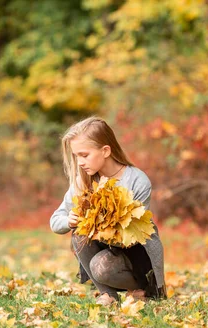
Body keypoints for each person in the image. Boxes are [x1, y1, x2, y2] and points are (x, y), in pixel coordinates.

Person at [50, 116, 167, 306]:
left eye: (84, 155)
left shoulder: (136, 180)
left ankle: (146, 290)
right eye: (76, 156)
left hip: (137, 257)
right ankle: (109, 295)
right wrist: (69, 221)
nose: (79, 162)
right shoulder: (84, 182)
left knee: (100, 265)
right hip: (108, 252)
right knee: (78, 235)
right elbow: (56, 220)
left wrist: (94, 223)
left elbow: (129, 236)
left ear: (105, 151)